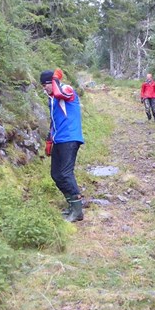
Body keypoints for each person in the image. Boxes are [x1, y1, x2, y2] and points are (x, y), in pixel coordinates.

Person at [41, 68, 84, 222]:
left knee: (66, 173)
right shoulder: (51, 100)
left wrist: (55, 79)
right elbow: (53, 122)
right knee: (56, 174)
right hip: (59, 140)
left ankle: (78, 211)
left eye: (45, 84)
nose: (44, 88)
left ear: (52, 82)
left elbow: (61, 93)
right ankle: (71, 206)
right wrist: (49, 140)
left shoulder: (66, 89)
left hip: (70, 137)